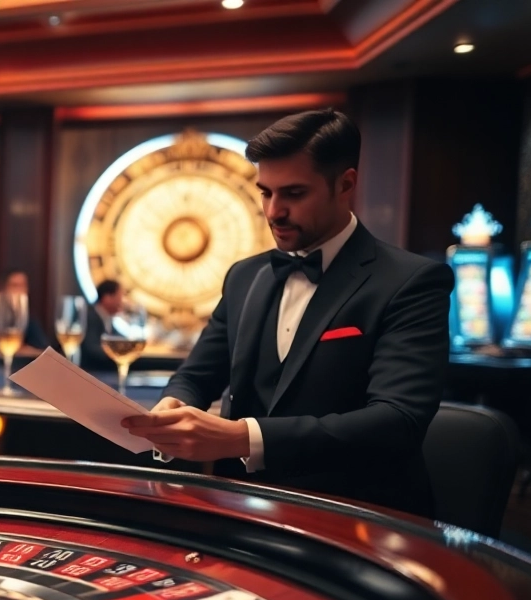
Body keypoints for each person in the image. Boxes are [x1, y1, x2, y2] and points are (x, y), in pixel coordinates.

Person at [122, 108, 453, 517]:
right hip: (238, 510)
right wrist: (173, 404)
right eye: (266, 192)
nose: (274, 211)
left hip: (359, 517)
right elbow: (196, 375)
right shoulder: (244, 276)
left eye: (294, 194)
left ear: (345, 184)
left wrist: (242, 437)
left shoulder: (412, 281)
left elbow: (397, 421)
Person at [0, 270, 49, 354]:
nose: (19, 290)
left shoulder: (30, 321)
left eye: (23, 285)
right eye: (14, 285)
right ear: (2, 289)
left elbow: (44, 351)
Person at [80, 279, 123, 368]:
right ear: (107, 298)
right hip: (93, 371)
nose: (121, 302)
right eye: (119, 297)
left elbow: (119, 339)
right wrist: (119, 354)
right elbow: (92, 350)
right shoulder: (90, 317)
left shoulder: (107, 318)